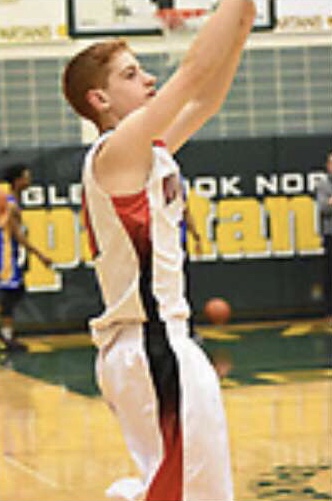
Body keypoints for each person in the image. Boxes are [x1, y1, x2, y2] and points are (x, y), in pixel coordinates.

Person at [62, 0, 256, 499]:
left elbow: (205, 101)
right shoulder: (115, 152)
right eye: (131, 73)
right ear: (99, 98)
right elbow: (191, 76)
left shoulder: (146, 150)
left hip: (156, 344)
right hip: (151, 344)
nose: (147, 79)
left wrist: (238, 29)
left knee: (186, 488)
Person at [0, 164, 52, 352]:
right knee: (11, 294)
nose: (29, 180)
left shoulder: (11, 201)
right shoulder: (10, 204)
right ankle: (7, 336)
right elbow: (17, 235)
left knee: (13, 294)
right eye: (26, 177)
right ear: (18, 180)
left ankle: (7, 335)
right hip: (5, 256)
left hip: (11, 254)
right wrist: (40, 255)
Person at [315, 151, 332, 326]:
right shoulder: (323, 185)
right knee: (329, 275)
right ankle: (329, 312)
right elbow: (324, 208)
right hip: (330, 234)